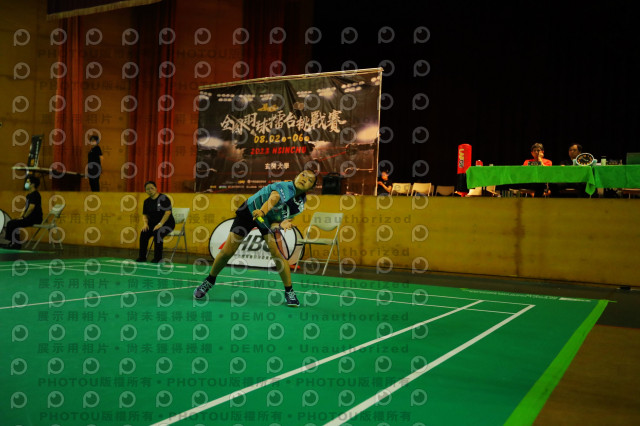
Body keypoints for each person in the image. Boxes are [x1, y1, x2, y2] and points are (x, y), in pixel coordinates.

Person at [193, 169, 318, 307]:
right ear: (296, 176)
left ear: (311, 188)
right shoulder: (285, 186)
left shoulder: (299, 205)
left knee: (277, 254)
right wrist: (262, 211)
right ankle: (209, 281)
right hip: (250, 211)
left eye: (310, 180)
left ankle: (289, 292)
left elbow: (276, 223)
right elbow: (274, 197)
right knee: (227, 251)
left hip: (266, 220)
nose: (304, 179)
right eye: (303, 175)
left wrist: (281, 224)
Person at [136, 181, 175, 263]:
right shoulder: (146, 202)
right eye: (147, 189)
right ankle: (142, 257)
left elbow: (168, 212)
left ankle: (158, 258)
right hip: (153, 224)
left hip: (166, 224)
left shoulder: (163, 198)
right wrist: (145, 224)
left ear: (156, 189)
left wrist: (160, 224)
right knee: (144, 232)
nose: (150, 190)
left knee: (158, 232)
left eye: (152, 188)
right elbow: (145, 215)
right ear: (145, 191)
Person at [5, 175, 43, 250]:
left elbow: (31, 208)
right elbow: (26, 207)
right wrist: (21, 216)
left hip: (35, 218)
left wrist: (23, 217)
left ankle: (16, 244)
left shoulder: (35, 194)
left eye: (28, 182)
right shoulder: (28, 195)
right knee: (11, 222)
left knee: (13, 224)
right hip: (28, 217)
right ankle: (13, 242)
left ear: (33, 184)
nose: (26, 183)